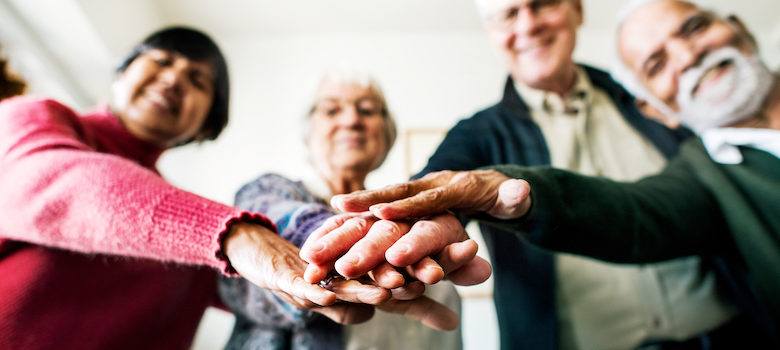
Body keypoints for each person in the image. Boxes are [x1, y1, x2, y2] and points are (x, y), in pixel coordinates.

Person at [315, 0, 779, 345]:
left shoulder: (654, 99)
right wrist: (402, 230)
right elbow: (437, 188)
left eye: (542, 4)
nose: (529, 24)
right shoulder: (479, 133)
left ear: (576, 10)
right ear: (492, 34)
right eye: (508, 15)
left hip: (733, 332)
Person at [0, 26, 450, 350]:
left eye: (198, 80)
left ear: (204, 125)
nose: (174, 78)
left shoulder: (182, 236)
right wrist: (238, 235)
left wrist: (333, 276)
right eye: (160, 59)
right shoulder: (32, 121)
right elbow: (64, 186)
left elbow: (248, 288)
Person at [218, 70, 486, 349]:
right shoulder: (268, 191)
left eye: (367, 111)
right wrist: (346, 239)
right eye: (332, 110)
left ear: (386, 134)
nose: (351, 120)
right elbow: (264, 237)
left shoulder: (416, 224)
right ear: (309, 133)